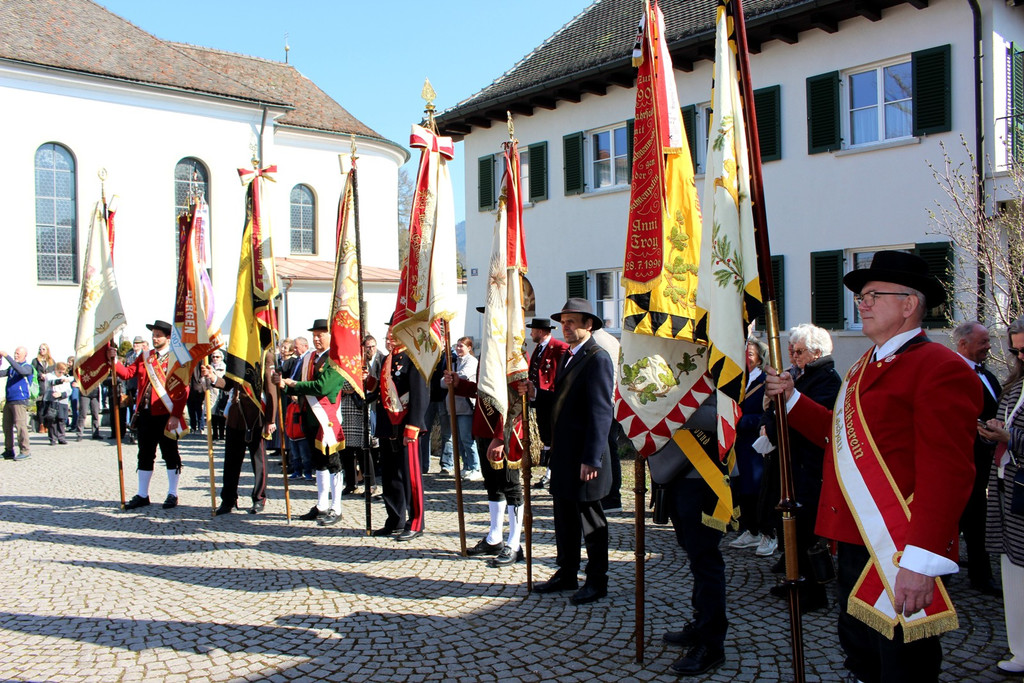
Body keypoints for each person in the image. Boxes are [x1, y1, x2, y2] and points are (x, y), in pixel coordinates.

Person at [765, 251, 980, 682]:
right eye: (861, 296)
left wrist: (921, 560)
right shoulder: (865, 365)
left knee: (903, 665)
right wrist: (791, 399)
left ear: (908, 303)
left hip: (901, 547)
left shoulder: (940, 367)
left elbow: (948, 471)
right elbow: (839, 440)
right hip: (855, 539)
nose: (860, 304)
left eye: (872, 295)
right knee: (861, 654)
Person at [534, 298, 614, 605]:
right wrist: (536, 394)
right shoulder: (570, 356)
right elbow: (562, 400)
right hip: (565, 454)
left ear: (588, 324)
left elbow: (600, 412)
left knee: (590, 520)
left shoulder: (597, 357)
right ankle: (566, 571)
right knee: (564, 516)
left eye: (572, 322)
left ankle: (597, 580)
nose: (565, 327)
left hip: (584, 456)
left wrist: (592, 458)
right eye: (563, 322)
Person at [763, 324, 841, 612]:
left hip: (810, 466)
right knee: (791, 525)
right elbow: (777, 415)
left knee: (808, 531)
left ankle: (814, 590)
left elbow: (812, 423)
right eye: (791, 351)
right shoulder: (804, 376)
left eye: (799, 352)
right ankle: (794, 576)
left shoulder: (828, 380)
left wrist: (779, 413)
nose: (793, 357)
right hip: (792, 462)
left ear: (817, 353)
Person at [651, 399, 728, 677]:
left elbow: (722, 416)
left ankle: (712, 644)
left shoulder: (716, 364)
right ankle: (701, 623)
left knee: (706, 560)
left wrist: (665, 404)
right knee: (695, 557)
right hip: (675, 476)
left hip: (703, 477)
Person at [979, 316, 1024, 675]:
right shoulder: (1013, 385)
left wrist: (1010, 439)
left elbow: (1014, 436)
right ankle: (1019, 649)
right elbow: (1005, 424)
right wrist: (992, 431)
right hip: (1009, 491)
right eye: (1016, 350)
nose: (1020, 356)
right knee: (1011, 570)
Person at [110, 320, 190, 510]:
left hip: (166, 414)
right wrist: (114, 361)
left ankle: (172, 493)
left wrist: (175, 415)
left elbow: (182, 390)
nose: (154, 338)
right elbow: (128, 373)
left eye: (158, 335)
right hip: (146, 413)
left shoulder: (176, 358)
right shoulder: (146, 357)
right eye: (153, 335)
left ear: (168, 337)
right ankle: (142, 494)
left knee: (170, 454)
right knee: (145, 454)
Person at [273, 319, 346, 526]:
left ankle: (336, 507)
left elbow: (322, 387)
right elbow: (300, 385)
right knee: (318, 463)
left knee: (333, 462)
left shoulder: (335, 359)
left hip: (326, 419)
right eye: (314, 334)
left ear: (330, 336)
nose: (316, 338)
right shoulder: (310, 358)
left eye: (321, 334)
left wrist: (293, 384)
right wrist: (284, 385)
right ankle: (322, 505)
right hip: (310, 416)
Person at [952, 320, 1002, 596]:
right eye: (983, 342)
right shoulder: (953, 373)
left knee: (977, 517)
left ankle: (981, 575)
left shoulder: (988, 374)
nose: (988, 346)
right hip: (963, 459)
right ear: (963, 344)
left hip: (985, 462)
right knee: (959, 517)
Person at [203, 349, 277, 515]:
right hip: (236, 415)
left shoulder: (266, 355)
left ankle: (259, 498)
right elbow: (228, 383)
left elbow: (271, 390)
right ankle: (228, 499)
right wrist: (213, 377)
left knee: (259, 463)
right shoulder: (237, 352)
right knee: (231, 461)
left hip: (257, 415)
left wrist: (271, 420)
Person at [372, 324, 428, 540]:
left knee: (411, 477)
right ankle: (395, 519)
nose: (390, 335)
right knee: (390, 476)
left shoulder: (415, 358)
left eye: (395, 331)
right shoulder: (388, 359)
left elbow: (420, 394)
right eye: (389, 331)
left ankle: (415, 522)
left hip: (407, 425)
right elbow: (383, 391)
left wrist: (414, 424)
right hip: (388, 425)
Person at [729, 339, 768, 551]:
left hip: (754, 444)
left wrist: (741, 421)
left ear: (759, 358)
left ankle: (760, 531)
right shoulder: (738, 379)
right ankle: (748, 529)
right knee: (739, 488)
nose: (746, 358)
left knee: (753, 489)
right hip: (737, 443)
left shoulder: (764, 381)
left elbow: (765, 414)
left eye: (750, 354)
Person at [525, 317, 568, 490]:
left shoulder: (559, 347)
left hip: (552, 399)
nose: (531, 333)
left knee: (554, 437)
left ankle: (554, 473)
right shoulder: (539, 348)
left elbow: (562, 374)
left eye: (533, 330)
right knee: (546, 437)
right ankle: (550, 473)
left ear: (541, 332)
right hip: (540, 399)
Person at [451, 336, 481, 480]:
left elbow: (462, 376)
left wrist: (452, 378)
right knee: (459, 440)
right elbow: (443, 382)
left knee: (467, 438)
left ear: (469, 348)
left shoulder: (472, 361)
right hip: (453, 405)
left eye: (461, 346)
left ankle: (475, 466)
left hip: (465, 405)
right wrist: (450, 379)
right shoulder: (454, 362)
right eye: (457, 345)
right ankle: (466, 466)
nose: (458, 348)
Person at [284, 336, 313, 481]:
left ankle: (307, 470)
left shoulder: (308, 359)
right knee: (294, 441)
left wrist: (298, 393)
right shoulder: (297, 360)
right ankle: (297, 469)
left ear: (305, 346)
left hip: (303, 402)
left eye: (296, 347)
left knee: (303, 445)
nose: (294, 350)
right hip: (293, 401)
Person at [0, 347, 34, 460]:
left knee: (20, 426)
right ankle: (9, 450)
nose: (15, 355)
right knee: (6, 426)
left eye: (18, 353)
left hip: (20, 400)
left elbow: (21, 371)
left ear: (25, 355)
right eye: (15, 353)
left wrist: (7, 356)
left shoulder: (27, 367)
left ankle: (25, 450)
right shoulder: (11, 368)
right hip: (9, 400)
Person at [42, 362, 73, 445]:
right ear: (56, 369)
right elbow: (50, 383)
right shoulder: (49, 376)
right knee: (52, 420)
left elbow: (69, 390)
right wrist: (60, 380)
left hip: (62, 401)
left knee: (61, 420)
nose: (61, 374)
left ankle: (61, 437)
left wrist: (61, 394)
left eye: (63, 372)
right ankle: (52, 439)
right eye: (60, 372)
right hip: (51, 400)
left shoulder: (65, 377)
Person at [31, 343, 54, 433]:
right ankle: (41, 424)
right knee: (40, 406)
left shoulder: (51, 361)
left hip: (48, 386)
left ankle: (47, 425)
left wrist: (47, 375)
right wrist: (40, 375)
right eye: (40, 349)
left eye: (43, 349)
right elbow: (33, 371)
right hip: (40, 386)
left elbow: (54, 372)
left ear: (47, 350)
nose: (41, 351)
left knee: (48, 407)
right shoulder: (35, 361)